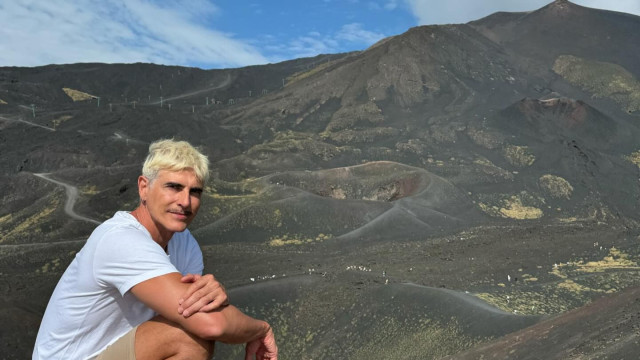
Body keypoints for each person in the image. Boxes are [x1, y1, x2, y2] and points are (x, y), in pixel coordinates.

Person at [33, 139, 277, 360]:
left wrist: (214, 294)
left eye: (195, 192)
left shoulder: (185, 242)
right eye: (173, 187)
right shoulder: (120, 240)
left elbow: (199, 309)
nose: (185, 201)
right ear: (143, 187)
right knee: (188, 337)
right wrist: (261, 329)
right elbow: (210, 324)